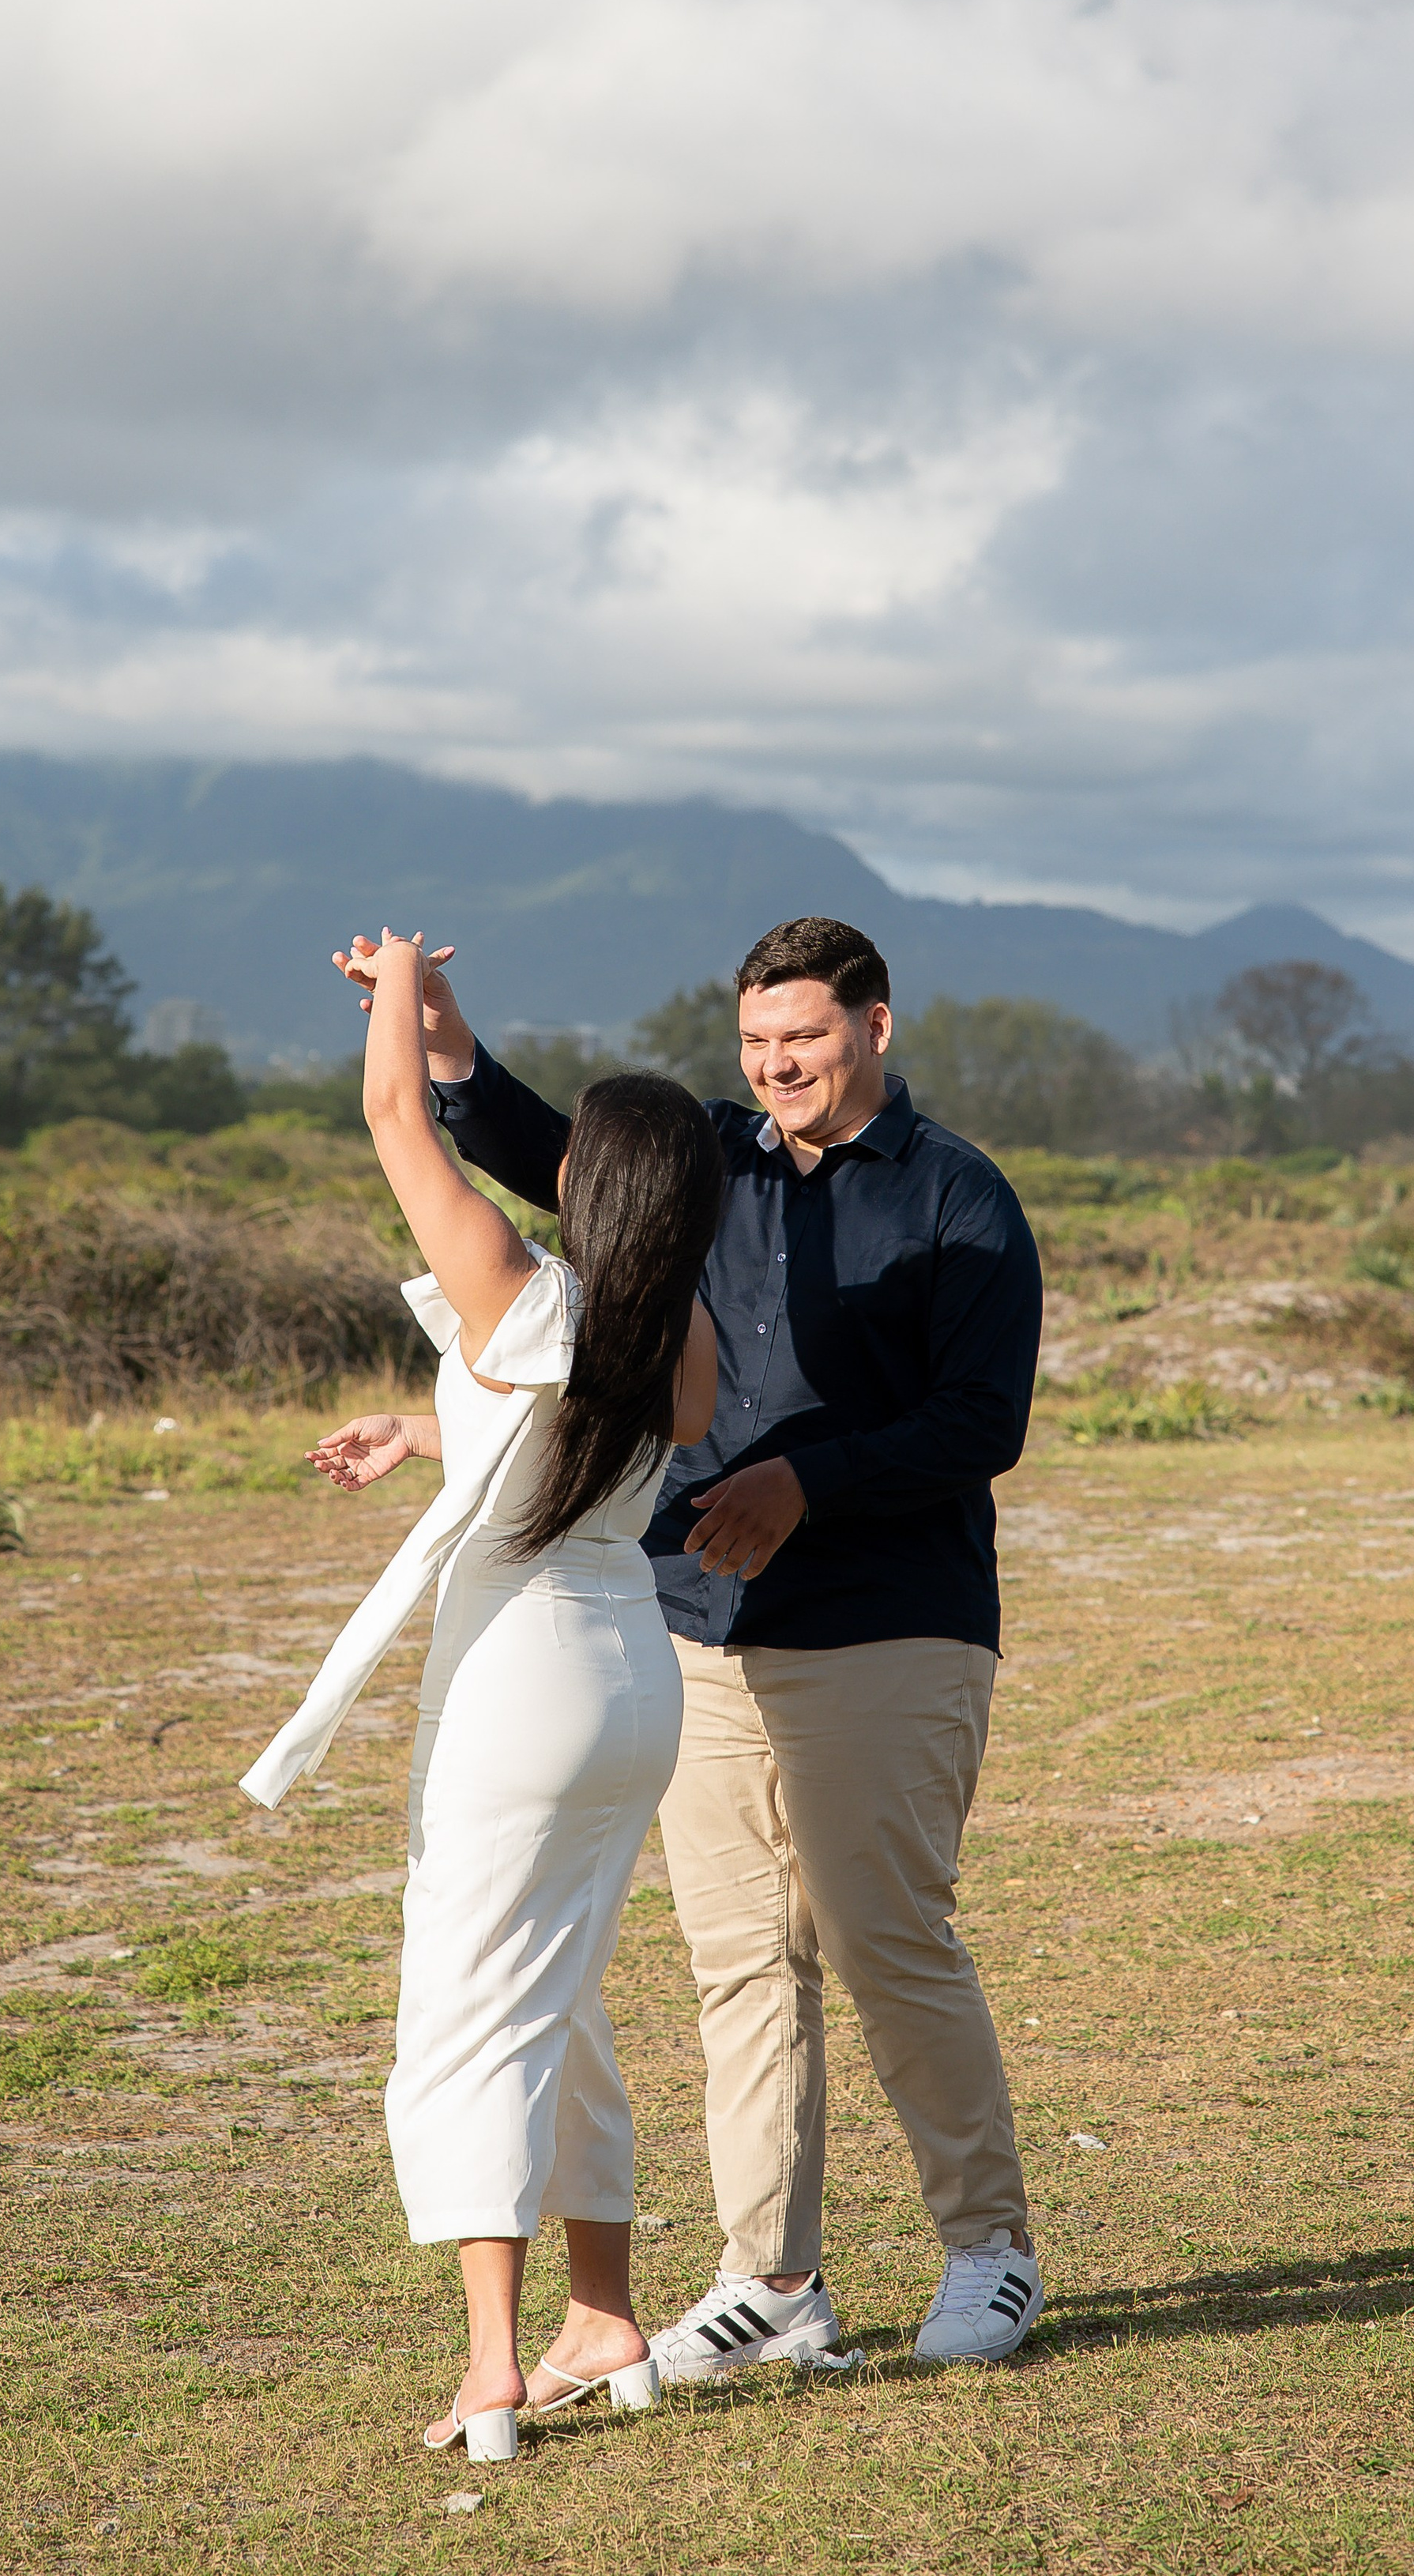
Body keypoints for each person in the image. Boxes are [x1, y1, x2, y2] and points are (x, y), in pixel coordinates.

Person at [341, 915, 1046, 2374]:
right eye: (756, 1044)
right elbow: (558, 1156)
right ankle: (773, 2278)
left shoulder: (959, 1199)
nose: (779, 1064)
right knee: (740, 1960)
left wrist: (810, 1481)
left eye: (807, 1037)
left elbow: (985, 1422)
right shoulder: (707, 1165)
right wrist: (450, 1041)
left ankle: (989, 2251)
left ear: (876, 1029)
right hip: (698, 1626)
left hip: (891, 1622)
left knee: (882, 1935)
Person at [239, 927, 724, 2463]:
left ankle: (492, 2366)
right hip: (630, 1674)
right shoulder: (675, 1332)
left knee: (464, 2006)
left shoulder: (519, 1288)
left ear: (595, 1182)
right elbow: (574, 1448)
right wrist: (435, 1428)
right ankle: (604, 2318)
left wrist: (393, 986)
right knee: (558, 1991)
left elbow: (395, 1126)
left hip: (520, 1677)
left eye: (576, 1149)